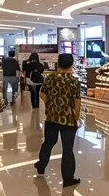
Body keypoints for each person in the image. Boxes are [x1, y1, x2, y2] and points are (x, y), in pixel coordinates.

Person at [34, 52, 81, 187]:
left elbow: (42, 94)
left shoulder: (50, 78)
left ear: (58, 64)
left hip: (52, 117)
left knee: (48, 142)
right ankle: (68, 179)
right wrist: (76, 116)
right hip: (68, 119)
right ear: (72, 64)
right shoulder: (73, 81)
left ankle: (41, 165)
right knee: (67, 149)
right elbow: (77, 101)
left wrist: (51, 105)